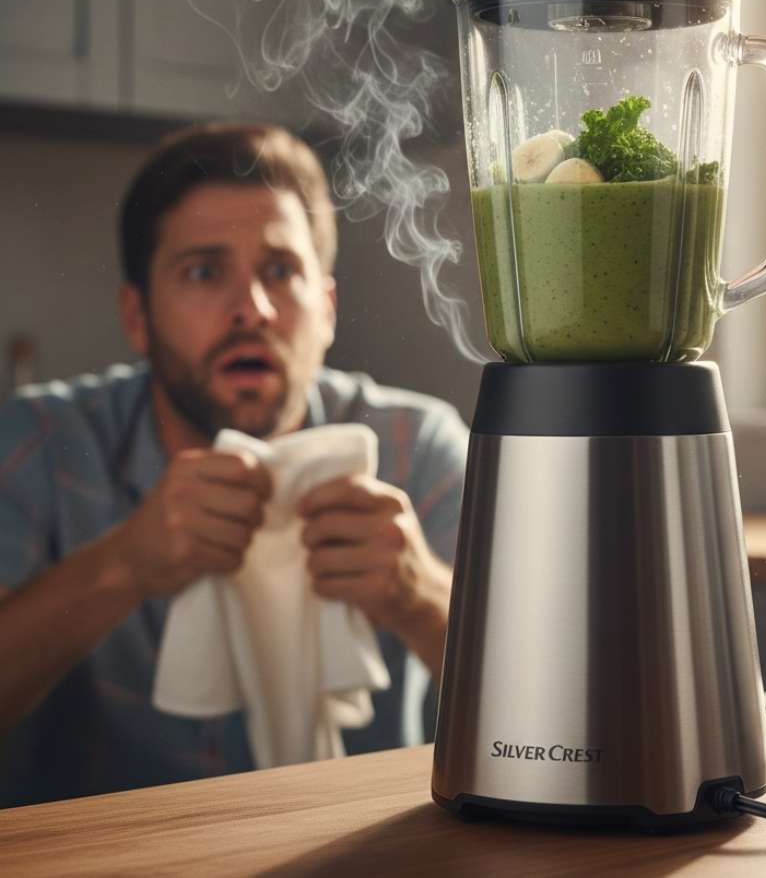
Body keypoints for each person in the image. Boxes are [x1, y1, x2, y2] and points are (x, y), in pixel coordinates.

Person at [0, 123, 469, 807]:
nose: (251, 309)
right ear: (137, 316)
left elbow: (553, 708)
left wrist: (418, 593)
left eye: (280, 271)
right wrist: (124, 564)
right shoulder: (37, 444)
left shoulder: (418, 449)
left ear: (327, 309)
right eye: (203, 271)